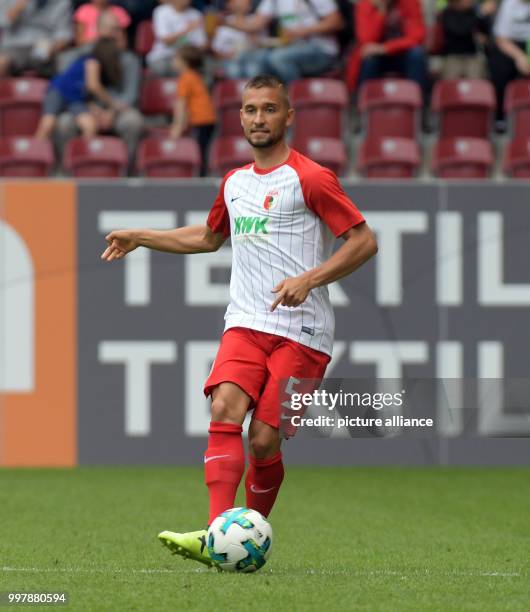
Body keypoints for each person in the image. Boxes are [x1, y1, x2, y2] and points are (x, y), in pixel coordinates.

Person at [101, 74, 378, 568]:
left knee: (264, 439)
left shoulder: (311, 178)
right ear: (241, 117)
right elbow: (209, 239)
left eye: (269, 109)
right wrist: (142, 235)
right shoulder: (234, 183)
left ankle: (249, 532)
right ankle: (216, 537)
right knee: (224, 406)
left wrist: (310, 279)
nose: (258, 119)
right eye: (250, 110)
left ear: (288, 116)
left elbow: (363, 242)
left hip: (303, 331)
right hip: (245, 323)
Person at [55, 10, 143, 164]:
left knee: (133, 121)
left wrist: (111, 112)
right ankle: (68, 169)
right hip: (85, 107)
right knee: (64, 122)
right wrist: (90, 108)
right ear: (98, 29)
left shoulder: (130, 59)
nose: (114, 34)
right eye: (110, 29)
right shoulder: (86, 54)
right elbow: (67, 76)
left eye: (118, 29)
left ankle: (126, 172)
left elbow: (131, 95)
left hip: (117, 110)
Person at [227, 0, 344, 83]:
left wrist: (304, 31)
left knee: (278, 57)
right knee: (254, 60)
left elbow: (336, 22)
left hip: (322, 50)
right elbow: (255, 25)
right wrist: (226, 22)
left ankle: (295, 101)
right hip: (291, 48)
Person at [35, 36, 125, 141]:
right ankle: (32, 155)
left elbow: (85, 94)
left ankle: (83, 155)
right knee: (47, 125)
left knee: (90, 127)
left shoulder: (101, 70)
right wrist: (112, 103)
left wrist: (95, 109)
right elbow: (93, 86)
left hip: (76, 99)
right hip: (58, 91)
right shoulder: (92, 60)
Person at [346, 0, 427, 95]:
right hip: (375, 57)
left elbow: (417, 37)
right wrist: (381, 12)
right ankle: (364, 101)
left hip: (402, 53)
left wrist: (385, 48)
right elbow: (366, 40)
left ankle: (417, 100)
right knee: (369, 58)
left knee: (417, 54)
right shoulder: (365, 4)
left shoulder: (410, 3)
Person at [169, 45, 216, 176]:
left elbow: (181, 105)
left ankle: (200, 177)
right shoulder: (194, 76)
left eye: (175, 58)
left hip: (201, 120)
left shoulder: (186, 77)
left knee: (199, 151)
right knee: (202, 149)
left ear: (184, 61)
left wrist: (177, 127)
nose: (172, 61)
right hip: (207, 119)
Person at [0, 0, 73, 77]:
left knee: (66, 65)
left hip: (44, 45)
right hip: (15, 46)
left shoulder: (62, 2)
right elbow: (3, 22)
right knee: (1, 62)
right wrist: (19, 5)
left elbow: (64, 36)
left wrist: (52, 48)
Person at [488, 0, 530, 125]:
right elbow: (501, 39)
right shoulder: (508, 4)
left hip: (528, 45)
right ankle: (500, 116)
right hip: (509, 45)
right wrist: (520, 57)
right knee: (501, 68)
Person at [147, 0, 207, 77]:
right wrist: (186, 30)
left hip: (189, 58)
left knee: (205, 67)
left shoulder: (196, 14)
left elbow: (203, 45)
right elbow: (166, 41)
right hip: (164, 56)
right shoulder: (161, 11)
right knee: (163, 68)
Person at [439, 0, 496, 79]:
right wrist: (480, 14)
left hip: (474, 55)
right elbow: (460, 31)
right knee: (450, 79)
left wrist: (485, 39)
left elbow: (488, 33)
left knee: (476, 77)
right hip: (453, 56)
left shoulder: (475, 12)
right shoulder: (447, 13)